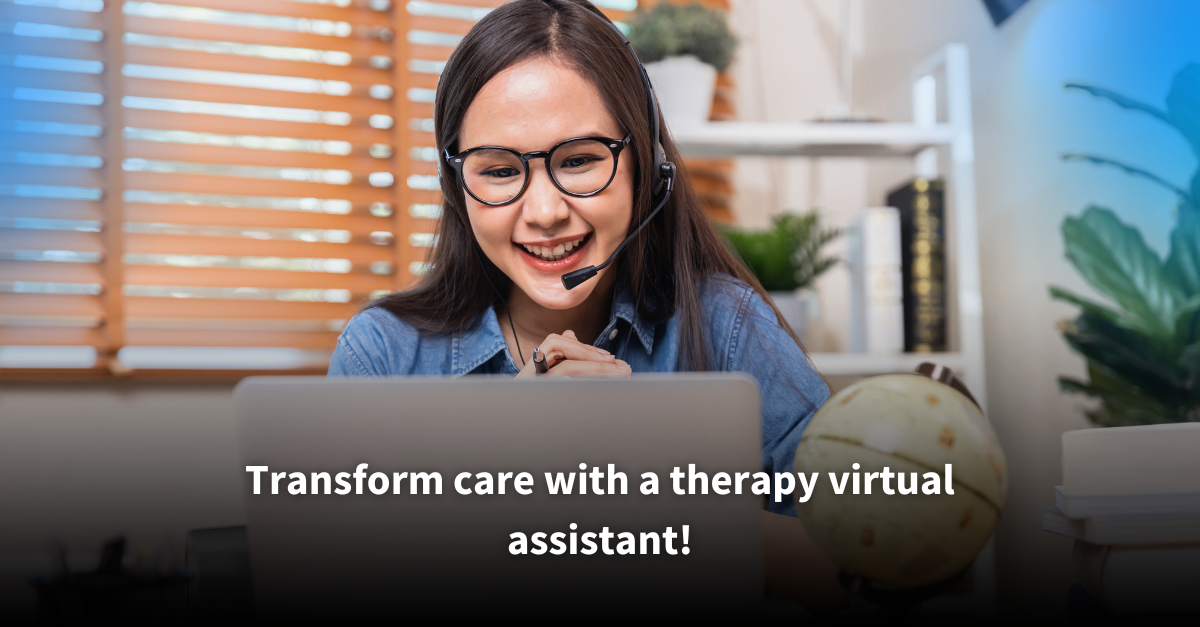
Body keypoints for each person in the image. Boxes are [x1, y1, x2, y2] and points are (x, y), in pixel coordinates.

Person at [329, 0, 846, 613]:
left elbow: (856, 567)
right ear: (457, 187)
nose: (545, 212)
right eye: (499, 171)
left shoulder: (726, 326)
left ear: (646, 164)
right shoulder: (382, 355)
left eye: (578, 160)